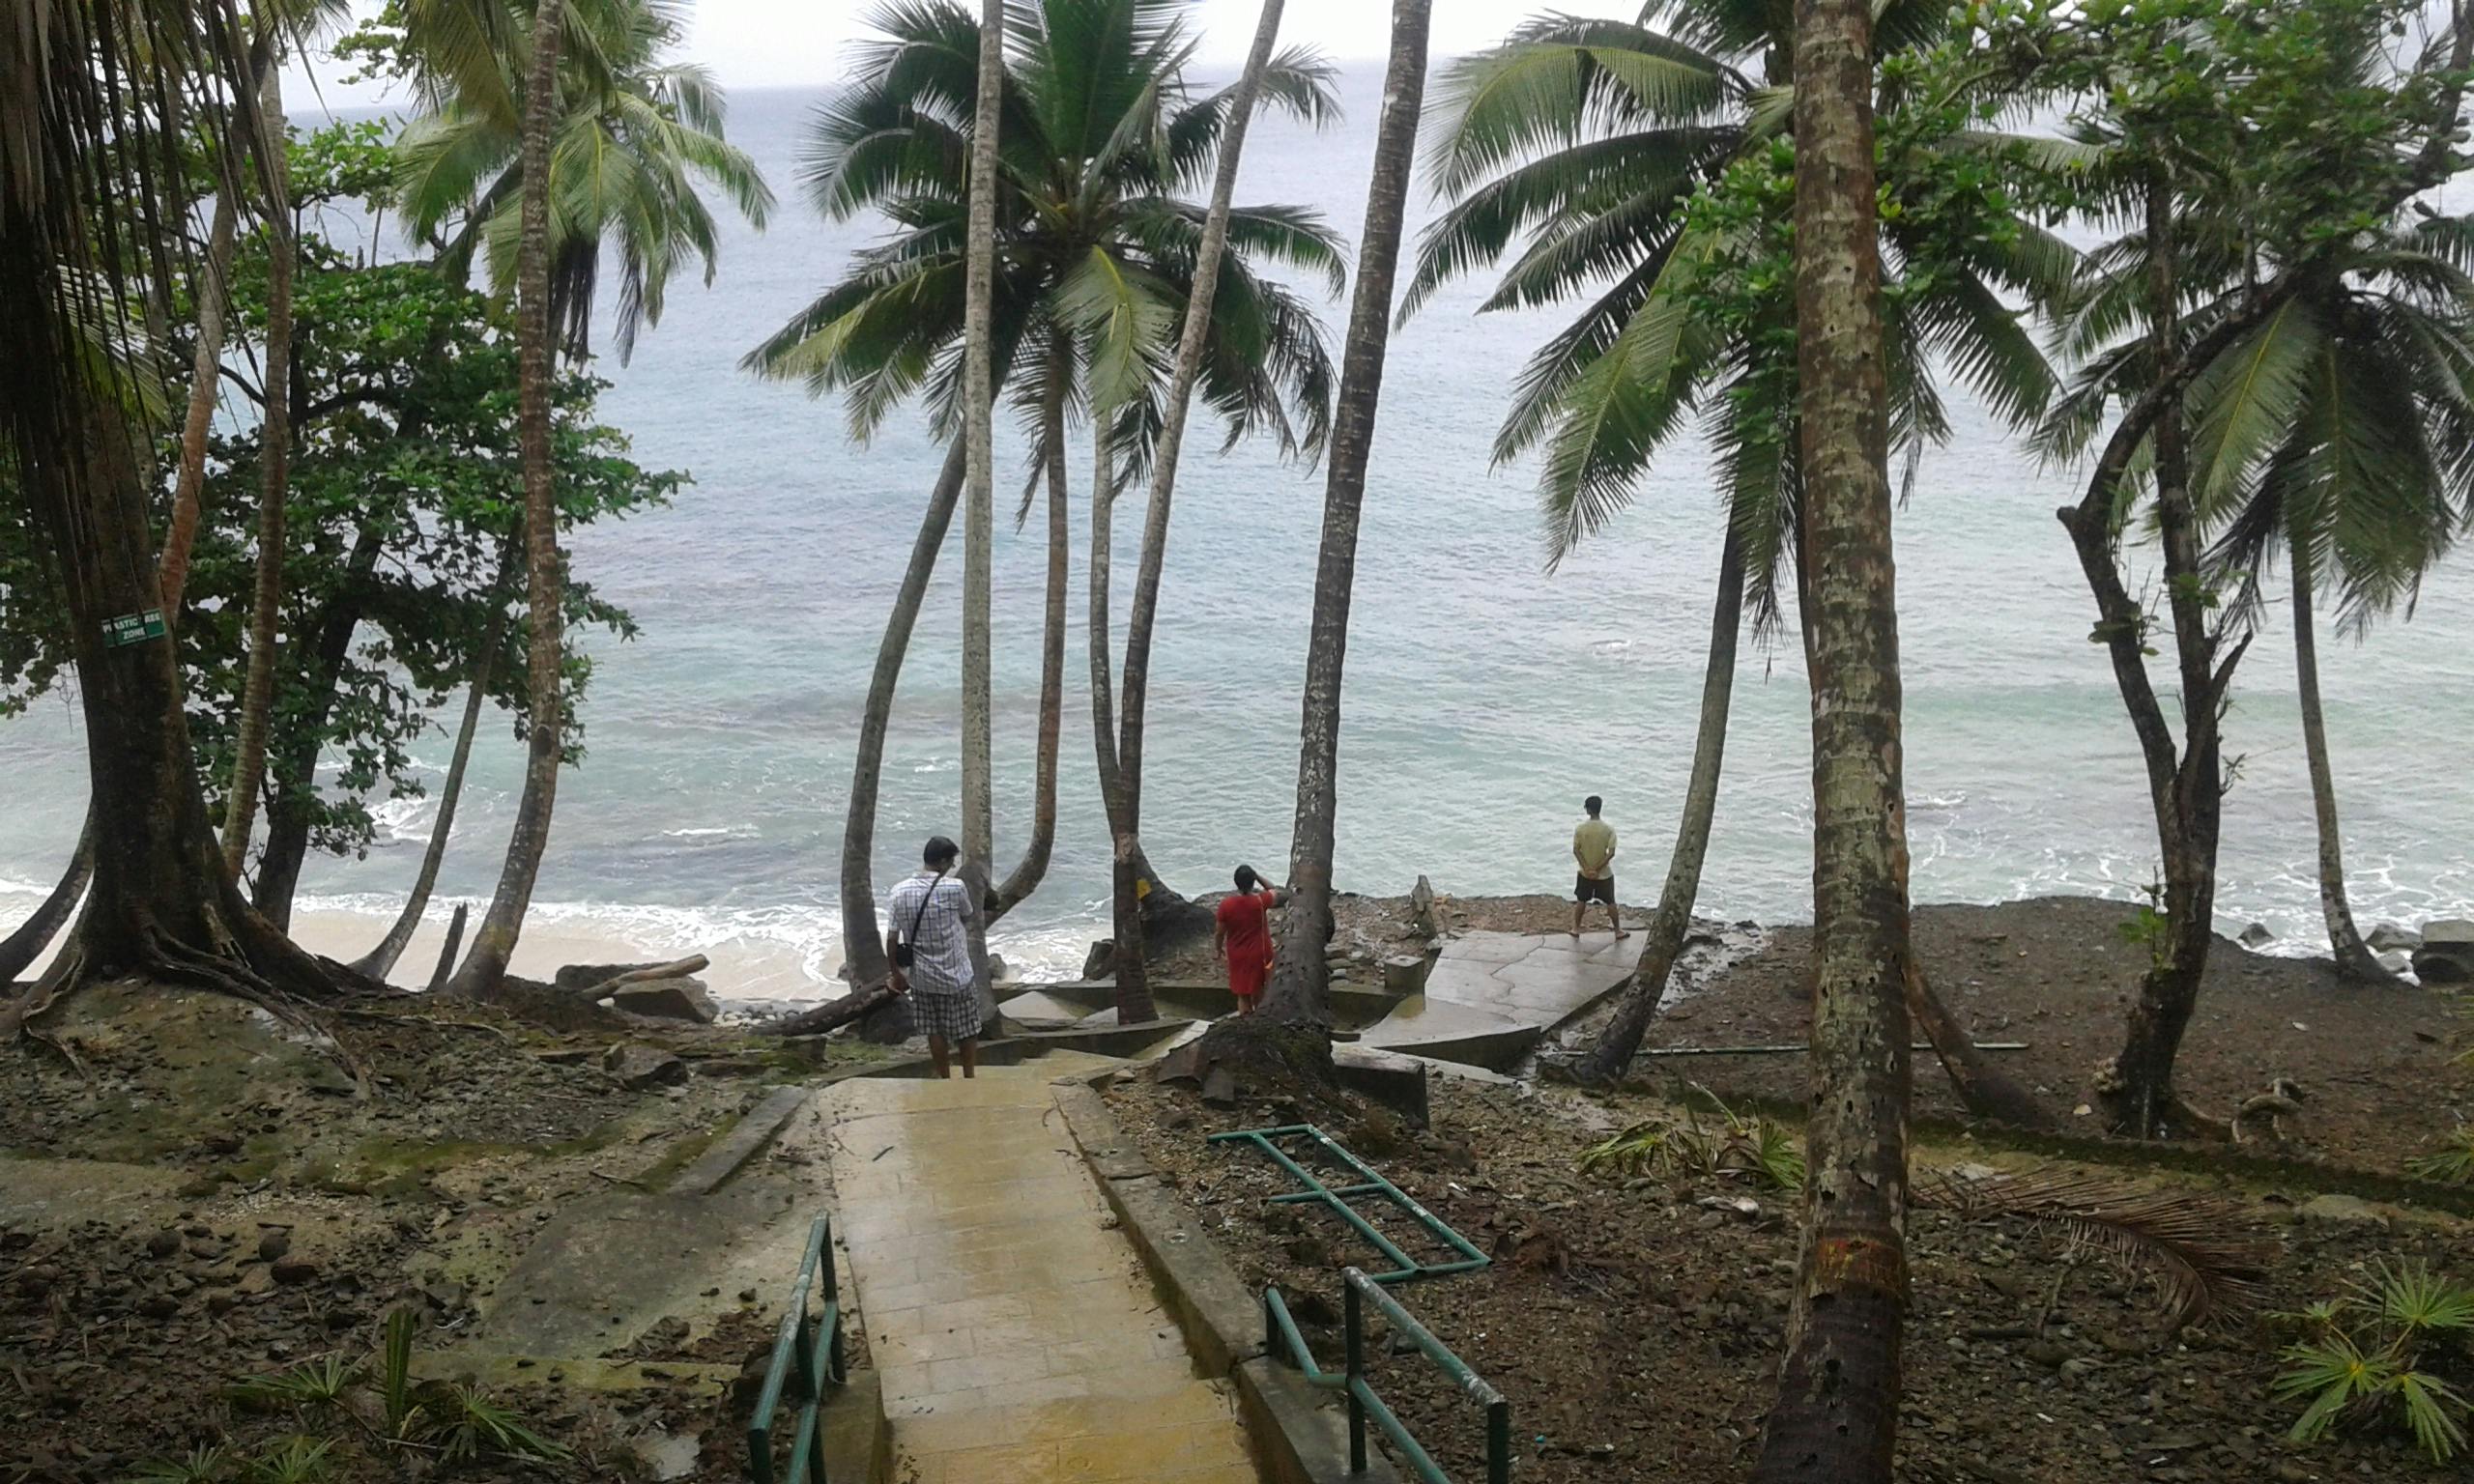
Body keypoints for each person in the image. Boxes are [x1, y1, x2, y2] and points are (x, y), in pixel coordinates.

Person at [885, 835, 982, 1078]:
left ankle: (944, 1076)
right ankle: (969, 1076)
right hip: (957, 973)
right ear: (941, 861)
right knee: (967, 1029)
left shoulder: (899, 891)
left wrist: (897, 975)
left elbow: (891, 940)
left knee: (934, 1030)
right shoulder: (954, 888)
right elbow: (967, 915)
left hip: (922, 977)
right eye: (951, 862)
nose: (952, 867)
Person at [1213, 865, 1288, 1015]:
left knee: (1243, 994)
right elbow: (1273, 890)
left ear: (1236, 882)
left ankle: (1246, 1022)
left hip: (1237, 954)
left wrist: (1218, 948)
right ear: (1252, 882)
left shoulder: (1226, 906)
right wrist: (1257, 876)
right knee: (1259, 990)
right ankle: (1260, 1021)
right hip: (1260, 952)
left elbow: (1219, 932)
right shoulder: (1261, 901)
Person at [1571, 795, 1627, 939]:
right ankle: (1617, 931)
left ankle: (1576, 929)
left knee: (1581, 901)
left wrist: (1587, 869)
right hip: (1604, 873)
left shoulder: (1580, 829)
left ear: (1588, 810)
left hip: (1584, 873)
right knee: (1610, 902)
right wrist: (1597, 869)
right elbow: (1611, 853)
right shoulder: (1608, 829)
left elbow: (1576, 850)